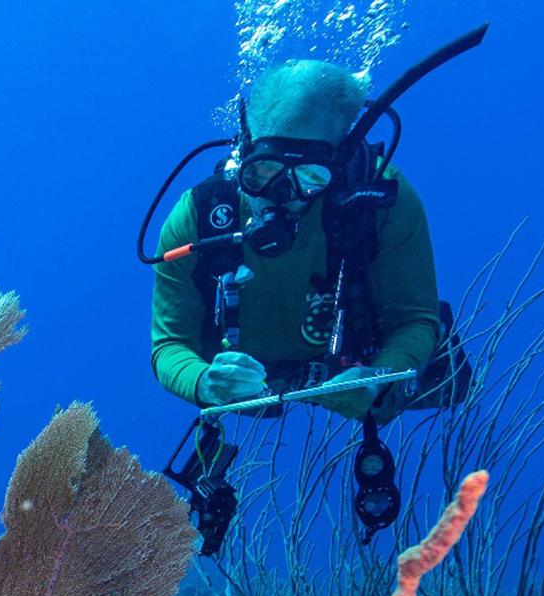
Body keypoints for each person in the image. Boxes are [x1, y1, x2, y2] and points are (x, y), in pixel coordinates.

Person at [150, 60, 441, 422]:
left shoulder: (382, 204)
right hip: (246, 386)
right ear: (244, 148)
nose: (282, 196)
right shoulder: (197, 217)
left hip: (352, 361)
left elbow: (417, 319)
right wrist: (204, 381)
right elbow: (169, 345)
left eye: (308, 176)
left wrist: (382, 378)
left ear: (339, 161)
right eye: (265, 171)